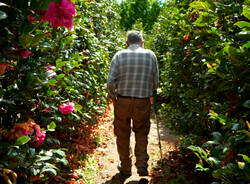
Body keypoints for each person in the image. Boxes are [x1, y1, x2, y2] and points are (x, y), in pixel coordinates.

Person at [107, 30, 159, 178]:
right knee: (142, 132)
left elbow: (110, 81)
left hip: (122, 100)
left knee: (122, 134)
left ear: (127, 43)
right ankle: (142, 164)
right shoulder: (151, 55)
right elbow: (155, 83)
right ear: (142, 42)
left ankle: (125, 167)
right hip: (142, 101)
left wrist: (113, 96)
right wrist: (149, 92)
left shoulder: (119, 55)